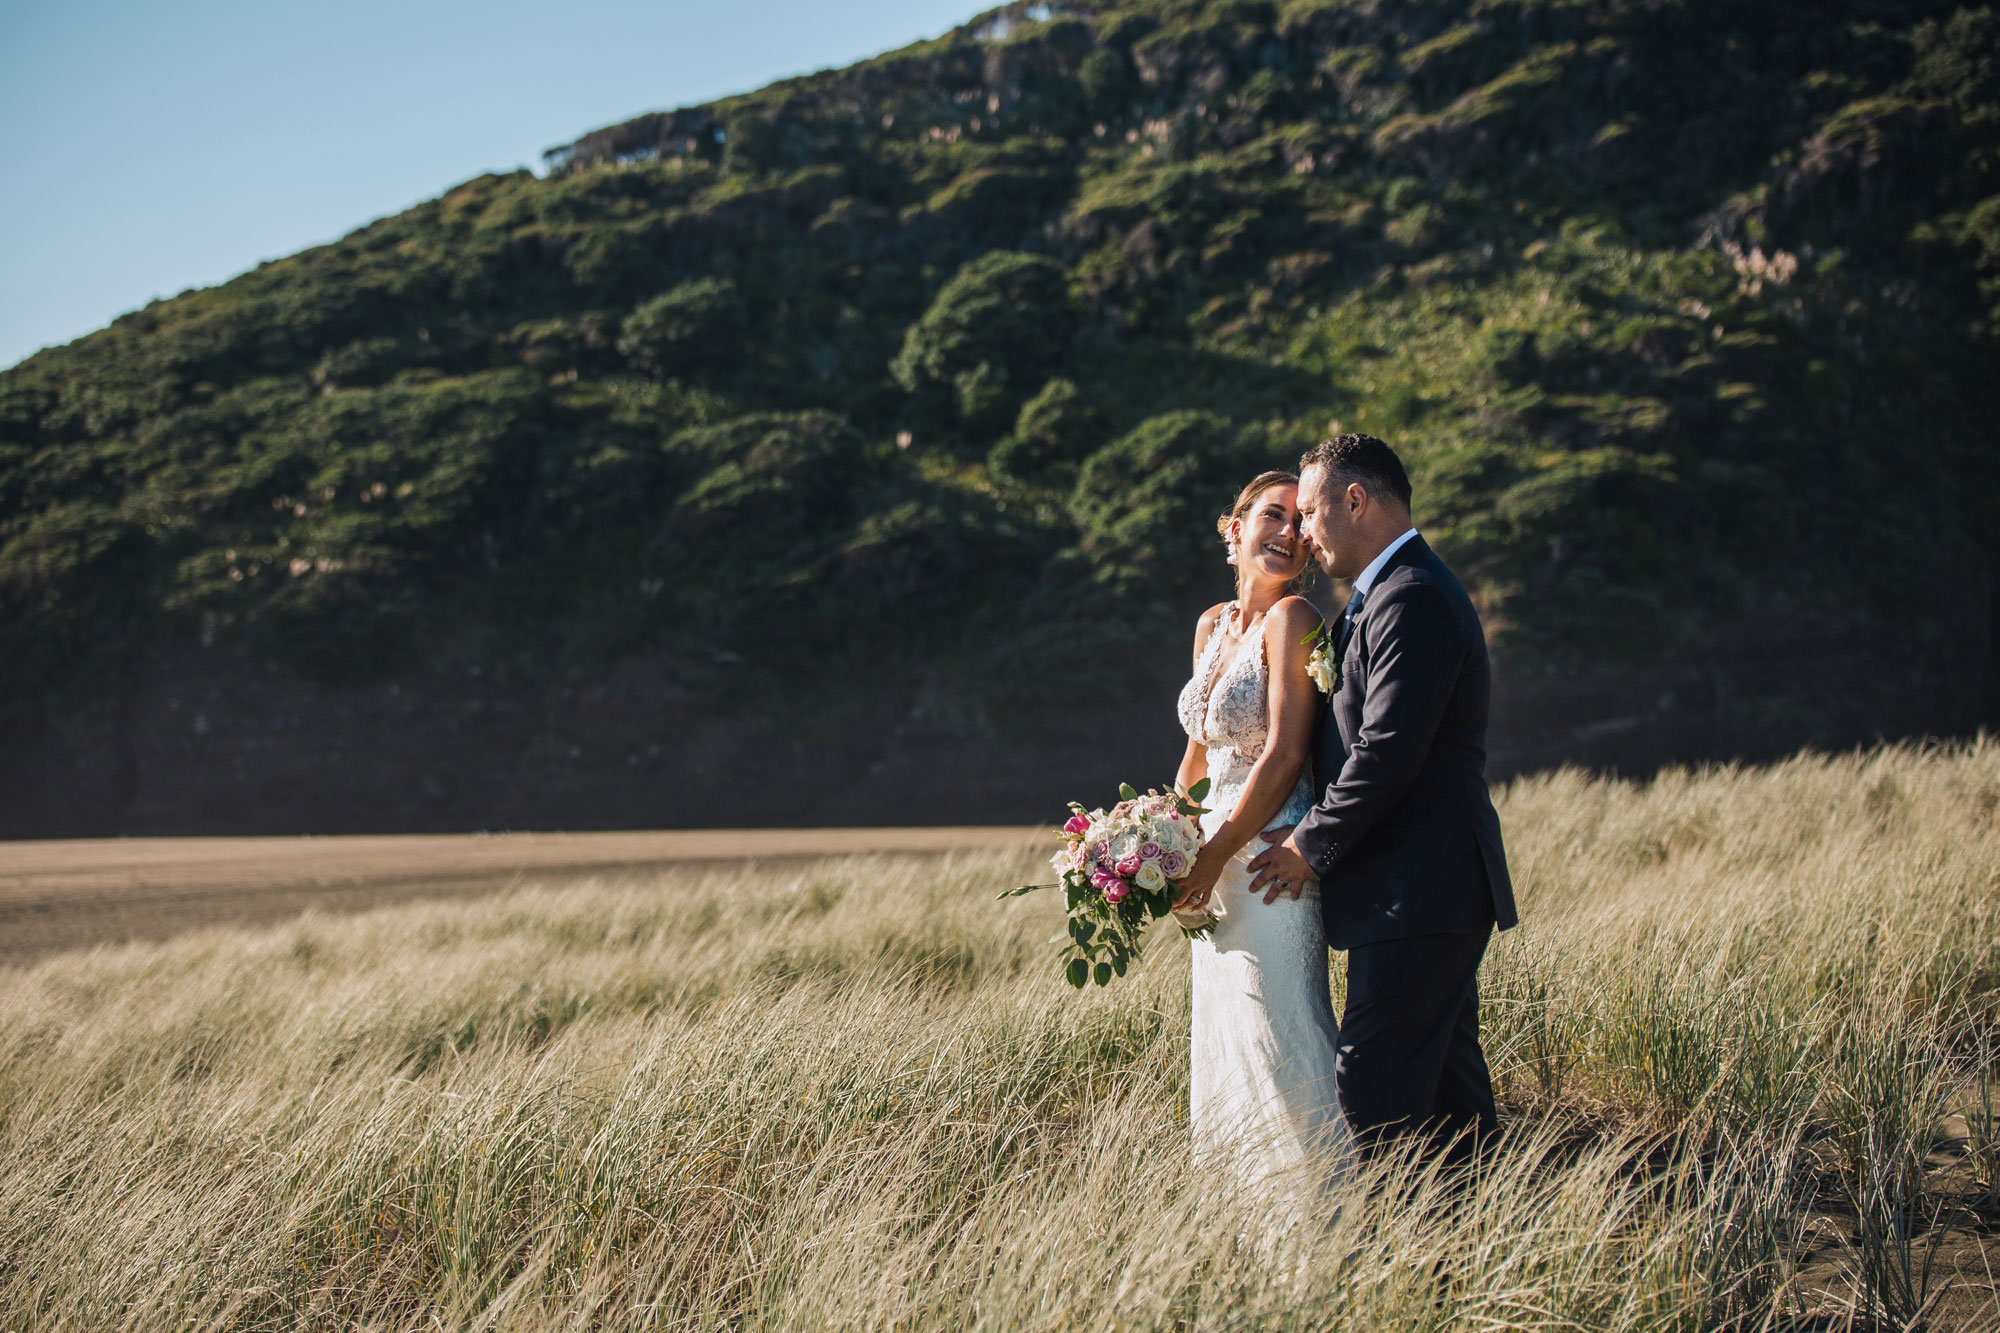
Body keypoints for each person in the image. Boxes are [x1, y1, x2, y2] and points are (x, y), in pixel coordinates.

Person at [1246, 434, 1518, 1166]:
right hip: (1420, 894)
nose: (1300, 532)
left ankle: (1396, 1271)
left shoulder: (1414, 597)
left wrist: (1308, 845)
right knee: (1452, 1112)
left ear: (1355, 500)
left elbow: (1389, 751)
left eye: (1307, 511)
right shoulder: (1384, 596)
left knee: (1373, 1099)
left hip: (1418, 892)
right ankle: (1475, 1262)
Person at [1169, 470, 1349, 1196]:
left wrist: (1212, 855)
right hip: (1210, 871)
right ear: (1233, 528)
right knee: (1227, 1046)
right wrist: (1159, 847)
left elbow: (1284, 752)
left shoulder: (1295, 618)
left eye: (1298, 524)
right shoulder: (1213, 624)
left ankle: (1329, 1228)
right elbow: (1198, 754)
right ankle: (1243, 1236)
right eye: (1271, 515)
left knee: (1281, 1043)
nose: (1287, 532)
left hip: (1269, 863)